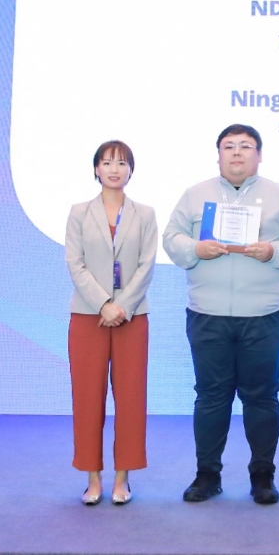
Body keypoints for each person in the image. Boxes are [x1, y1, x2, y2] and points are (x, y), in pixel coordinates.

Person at [163, 124, 279, 505]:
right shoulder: (195, 194)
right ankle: (206, 475)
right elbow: (171, 237)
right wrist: (196, 248)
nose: (237, 153)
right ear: (218, 155)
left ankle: (263, 476)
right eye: (228, 146)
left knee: (261, 398)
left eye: (246, 146)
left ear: (259, 155)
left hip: (263, 315)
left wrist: (273, 251)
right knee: (210, 397)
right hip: (207, 313)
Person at [65, 140, 158, 506]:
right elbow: (75, 263)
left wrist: (121, 306)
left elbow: (146, 266)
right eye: (107, 162)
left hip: (131, 317)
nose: (114, 169)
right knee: (88, 398)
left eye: (121, 163)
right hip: (88, 315)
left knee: (131, 397)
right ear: (96, 169)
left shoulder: (145, 214)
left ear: (131, 170)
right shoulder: (79, 212)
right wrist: (103, 304)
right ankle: (92, 478)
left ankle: (123, 478)